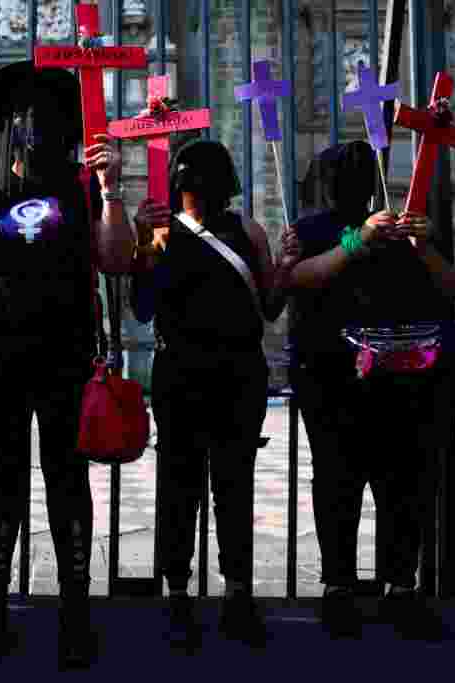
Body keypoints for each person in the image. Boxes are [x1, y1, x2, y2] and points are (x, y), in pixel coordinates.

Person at [0, 60, 135, 670]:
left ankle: (75, 614)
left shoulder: (82, 187)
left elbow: (114, 260)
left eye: (44, 119)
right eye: (20, 120)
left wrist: (110, 192)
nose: (32, 130)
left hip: (65, 354)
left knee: (66, 484)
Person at [129, 139, 300, 650]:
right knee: (178, 487)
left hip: (235, 374)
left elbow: (270, 305)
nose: (198, 195)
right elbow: (141, 306)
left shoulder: (246, 231)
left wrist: (287, 267)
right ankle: (177, 591)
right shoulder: (161, 234)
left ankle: (237, 592)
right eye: (192, 186)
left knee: (233, 487)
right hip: (180, 372)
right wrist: (144, 245)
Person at [288, 140, 455, 641]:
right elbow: (299, 279)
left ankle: (401, 587)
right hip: (332, 382)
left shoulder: (409, 225)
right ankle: (339, 586)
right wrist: (355, 240)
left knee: (402, 488)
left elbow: (450, 286)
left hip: (405, 384)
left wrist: (421, 245)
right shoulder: (314, 229)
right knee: (337, 485)